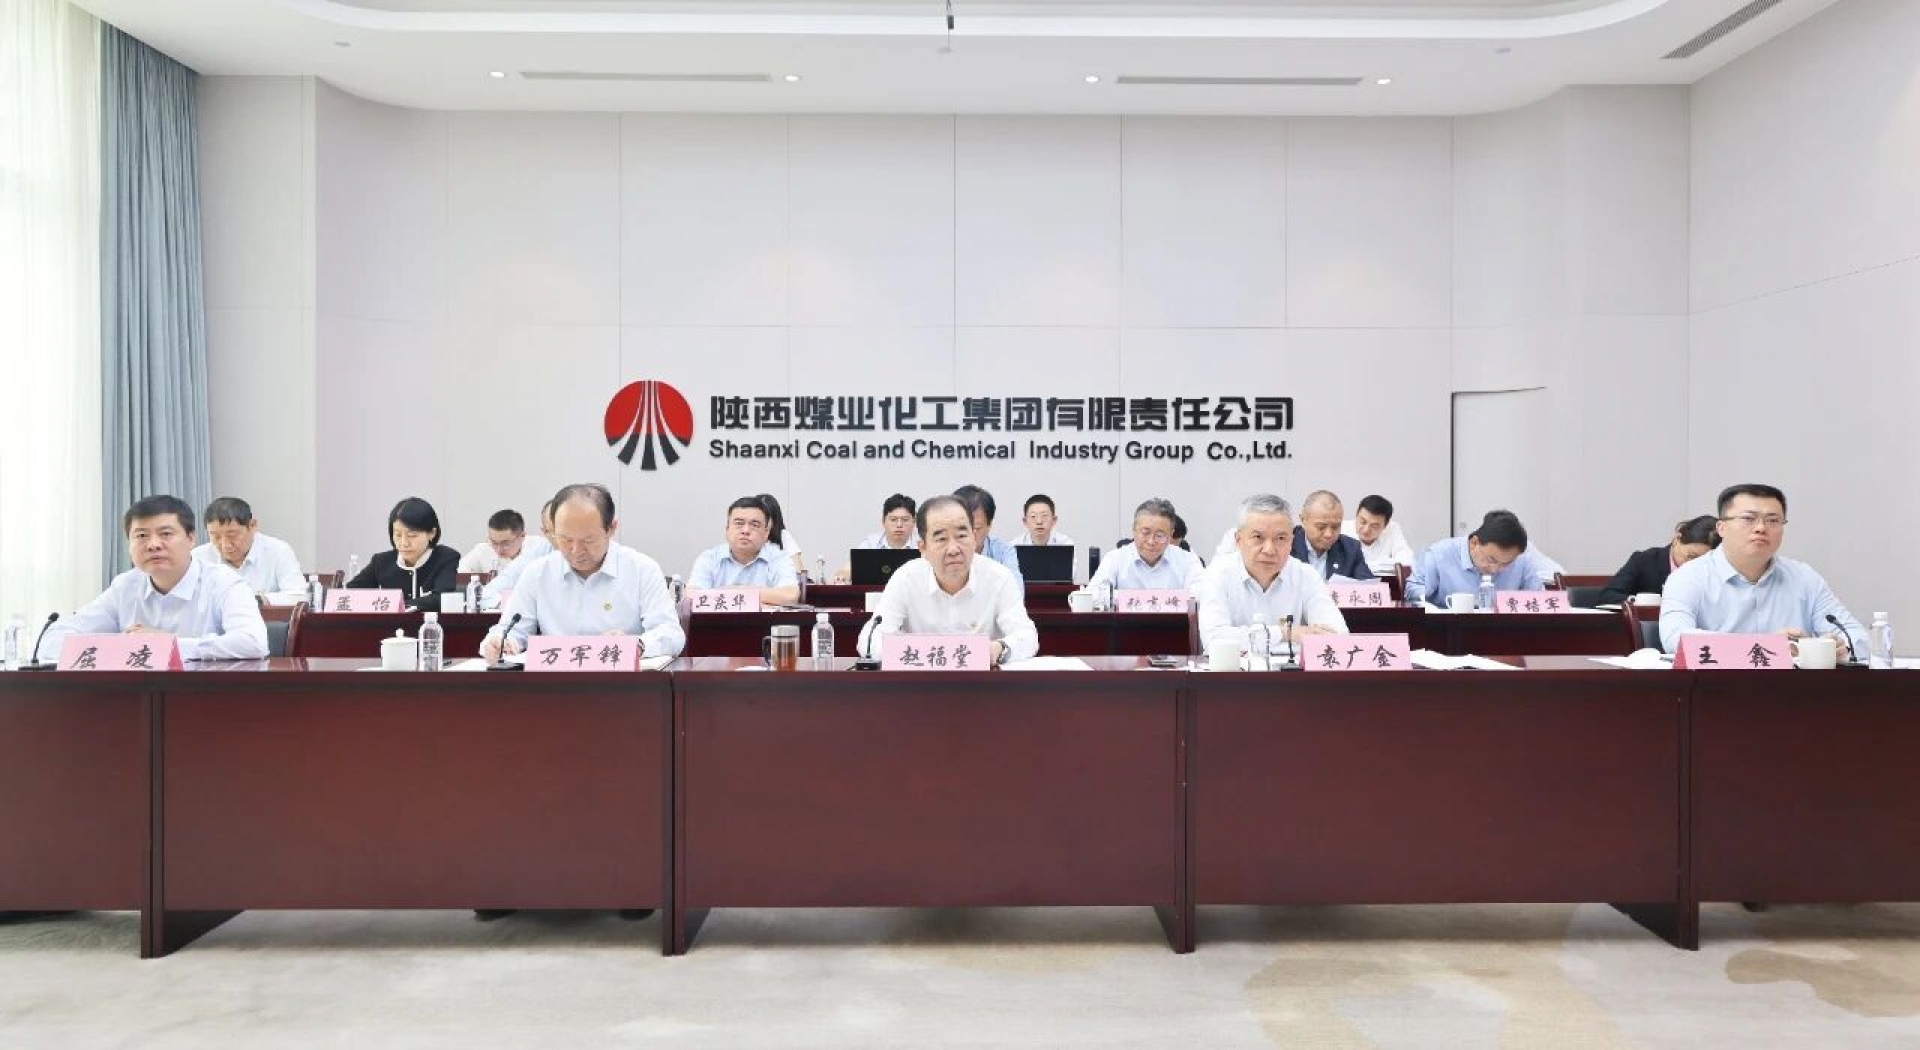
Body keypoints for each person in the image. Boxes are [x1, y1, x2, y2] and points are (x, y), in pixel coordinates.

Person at [43, 495, 267, 662]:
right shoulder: (125, 586)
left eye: (166, 534)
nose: (153, 545)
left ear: (191, 539)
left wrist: (169, 645)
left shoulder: (223, 583)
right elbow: (52, 640)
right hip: (135, 700)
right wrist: (119, 645)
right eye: (141, 535)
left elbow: (253, 642)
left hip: (206, 698)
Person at [481, 484, 682, 662]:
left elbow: (670, 633)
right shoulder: (537, 573)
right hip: (557, 684)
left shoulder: (642, 570)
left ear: (612, 528)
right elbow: (511, 629)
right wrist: (500, 642)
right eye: (566, 539)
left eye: (588, 540)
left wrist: (636, 645)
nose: (576, 550)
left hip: (623, 684)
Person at [1660, 484, 1865, 658]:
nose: (1761, 528)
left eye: (1773, 520)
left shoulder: (1804, 577)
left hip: (1794, 689)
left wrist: (1836, 648)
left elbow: (1858, 638)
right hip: (1718, 689)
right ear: (1721, 528)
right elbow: (1676, 640)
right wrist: (1768, 647)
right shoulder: (1688, 578)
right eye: (1748, 519)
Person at [859, 494, 1038, 666]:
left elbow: (1027, 636)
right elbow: (869, 641)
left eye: (961, 536)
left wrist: (1000, 648)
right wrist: (921, 652)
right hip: (922, 683)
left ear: (974, 538)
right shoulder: (906, 578)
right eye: (941, 539)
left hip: (983, 682)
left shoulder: (999, 578)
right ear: (923, 548)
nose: (953, 549)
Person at [1196, 494, 1347, 653]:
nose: (1269, 550)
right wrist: (1286, 633)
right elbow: (1214, 640)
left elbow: (1337, 636)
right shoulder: (1217, 574)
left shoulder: (1306, 575)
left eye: (1280, 538)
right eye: (1258, 537)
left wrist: (1249, 641)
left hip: (1292, 670)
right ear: (1238, 540)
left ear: (1291, 542)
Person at [1404, 509, 1547, 604]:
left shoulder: (1521, 560)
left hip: (1504, 633)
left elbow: (1540, 599)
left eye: (1506, 564)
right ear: (1474, 543)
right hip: (1449, 631)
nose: (1495, 569)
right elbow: (1412, 590)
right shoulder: (1439, 554)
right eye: (1491, 560)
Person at [346, 497, 461, 611]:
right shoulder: (381, 562)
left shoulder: (445, 557)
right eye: (398, 535)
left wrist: (392, 605)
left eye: (412, 535)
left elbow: (442, 598)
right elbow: (350, 594)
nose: (404, 543)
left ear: (432, 533)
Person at [687, 496, 801, 605]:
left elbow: (790, 596)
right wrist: (761, 599)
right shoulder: (709, 558)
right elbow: (692, 596)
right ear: (727, 530)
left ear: (766, 533)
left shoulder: (779, 558)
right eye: (739, 524)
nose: (746, 530)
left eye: (754, 525)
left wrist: (735, 590)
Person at [190, 496, 307, 595]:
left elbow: (297, 595)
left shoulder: (278, 551)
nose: (225, 545)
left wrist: (259, 601)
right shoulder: (198, 557)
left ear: (252, 526)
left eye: (232, 535)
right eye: (216, 537)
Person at [1598, 515, 1720, 606]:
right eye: (1691, 557)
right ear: (1677, 540)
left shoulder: (1715, 570)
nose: (1694, 565)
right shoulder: (1645, 560)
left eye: (1704, 561)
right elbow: (1608, 596)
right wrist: (1639, 602)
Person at [1088, 498, 1204, 591]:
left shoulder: (1188, 560)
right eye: (1145, 533)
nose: (1151, 541)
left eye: (1159, 535)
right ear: (1134, 530)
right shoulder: (1115, 558)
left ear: (1170, 534)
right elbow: (1094, 595)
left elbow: (1200, 597)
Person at [1291, 490, 1374, 582]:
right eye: (1321, 527)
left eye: (1335, 527)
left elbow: (1370, 586)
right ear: (1303, 520)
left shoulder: (1351, 549)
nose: (1329, 534)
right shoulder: (1286, 545)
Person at [953, 484, 1024, 584]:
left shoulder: (1003, 551)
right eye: (961, 528)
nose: (968, 535)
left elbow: (1015, 589)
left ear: (989, 525)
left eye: (976, 528)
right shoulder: (942, 550)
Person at [485, 499, 557, 597]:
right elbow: (508, 578)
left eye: (506, 543)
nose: (499, 550)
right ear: (544, 531)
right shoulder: (542, 549)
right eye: (555, 532)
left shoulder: (536, 544)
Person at [459, 508, 552, 575]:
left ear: (522, 536)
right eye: (494, 542)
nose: (499, 550)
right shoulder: (483, 549)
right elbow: (460, 574)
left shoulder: (541, 548)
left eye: (506, 544)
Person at [1343, 494, 1415, 570]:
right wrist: (1386, 563)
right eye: (1363, 522)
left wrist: (1361, 565)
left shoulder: (1392, 529)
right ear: (1356, 515)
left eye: (1374, 526)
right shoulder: (1342, 529)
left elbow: (1407, 560)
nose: (1366, 530)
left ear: (1385, 525)